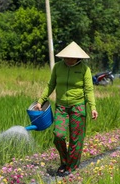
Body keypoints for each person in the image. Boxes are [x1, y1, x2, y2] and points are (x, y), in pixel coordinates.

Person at [33, 41, 98, 176]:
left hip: (78, 107)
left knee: (76, 138)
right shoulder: (58, 67)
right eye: (66, 57)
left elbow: (89, 90)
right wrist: (40, 101)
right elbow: (50, 85)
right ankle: (64, 161)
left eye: (71, 57)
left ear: (78, 58)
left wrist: (92, 107)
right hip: (61, 107)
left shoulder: (84, 70)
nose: (68, 60)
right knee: (58, 135)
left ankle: (71, 167)